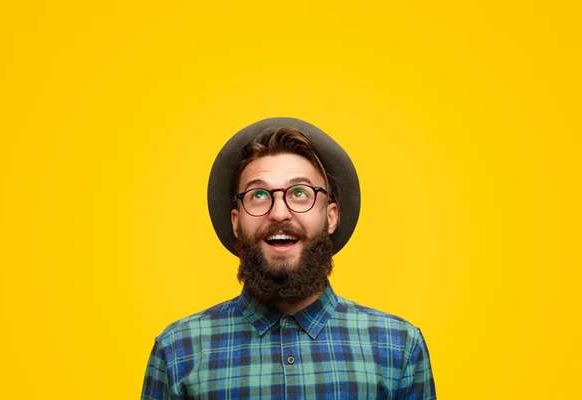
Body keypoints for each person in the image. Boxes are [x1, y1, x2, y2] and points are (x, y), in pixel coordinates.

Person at [141, 118, 436, 399]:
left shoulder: (399, 348)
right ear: (236, 221)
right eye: (258, 194)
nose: (279, 213)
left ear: (331, 217)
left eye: (299, 192)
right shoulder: (177, 350)